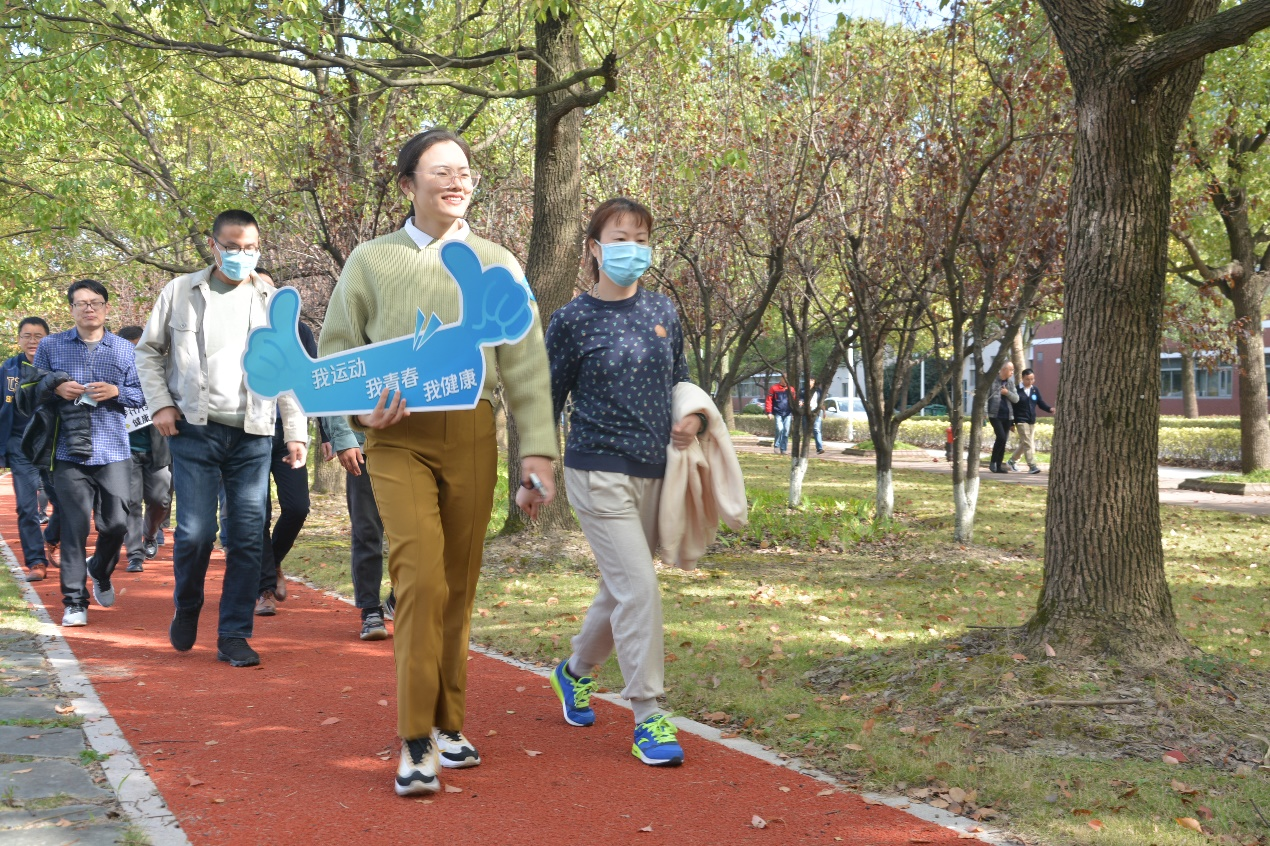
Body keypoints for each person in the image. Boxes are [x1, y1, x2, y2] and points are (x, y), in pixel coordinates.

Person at [317, 128, 558, 796]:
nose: (457, 181)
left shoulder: (498, 261)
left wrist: (538, 450)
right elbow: (337, 351)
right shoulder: (370, 260)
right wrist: (360, 415)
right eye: (441, 171)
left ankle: (450, 723)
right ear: (407, 184)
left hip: (472, 431)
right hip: (397, 436)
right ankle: (416, 736)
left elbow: (526, 364)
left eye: (465, 171)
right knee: (420, 578)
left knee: (456, 582)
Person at [544, 196, 702, 768]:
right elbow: (545, 399)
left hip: (656, 470)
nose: (632, 249)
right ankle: (648, 715)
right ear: (594, 248)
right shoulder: (571, 320)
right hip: (597, 469)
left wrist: (692, 418)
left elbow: (680, 379)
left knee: (620, 588)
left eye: (641, 239)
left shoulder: (662, 309)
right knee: (639, 589)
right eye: (619, 238)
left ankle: (574, 672)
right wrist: (536, 471)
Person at [134, 209, 308, 668]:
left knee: (248, 537)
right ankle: (188, 603)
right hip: (194, 430)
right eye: (232, 247)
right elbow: (148, 352)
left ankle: (234, 634)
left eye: (250, 248)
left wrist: (295, 431)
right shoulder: (180, 292)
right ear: (213, 245)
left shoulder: (272, 300)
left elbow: (288, 369)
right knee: (195, 533)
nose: (241, 255)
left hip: (253, 433)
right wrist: (160, 405)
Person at [23, 281, 146, 626]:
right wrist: (55, 386)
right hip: (67, 451)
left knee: (117, 525)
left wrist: (117, 391)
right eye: (81, 303)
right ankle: (75, 602)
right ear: (72, 309)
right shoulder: (51, 346)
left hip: (113, 449)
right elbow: (30, 391)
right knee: (74, 528)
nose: (89, 308)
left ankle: (100, 569)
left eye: (95, 302)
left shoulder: (124, 349)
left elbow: (143, 394)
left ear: (106, 308)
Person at [254, 315, 324, 617]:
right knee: (258, 514)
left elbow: (313, 379)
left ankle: (273, 561)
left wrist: (325, 433)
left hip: (289, 434)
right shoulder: (243, 324)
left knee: (298, 507)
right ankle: (264, 590)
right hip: (251, 434)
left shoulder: (299, 331)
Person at [112, 325, 171, 574]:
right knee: (132, 503)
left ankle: (151, 534)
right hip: (125, 450)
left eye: (139, 348)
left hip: (157, 448)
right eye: (129, 349)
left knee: (161, 500)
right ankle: (134, 554)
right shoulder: (113, 373)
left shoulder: (161, 371)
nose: (134, 354)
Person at [324, 414, 389, 640]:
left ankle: (399, 598)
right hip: (363, 445)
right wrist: (344, 437)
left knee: (419, 530)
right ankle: (370, 609)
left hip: (415, 446)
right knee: (367, 529)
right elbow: (337, 394)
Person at [1, 317, 53, 581]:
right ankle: (36, 561)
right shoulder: (8, 369)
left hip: (54, 445)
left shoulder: (57, 366)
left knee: (67, 503)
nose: (33, 341)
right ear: (19, 339)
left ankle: (53, 537)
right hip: (20, 446)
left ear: (47, 338)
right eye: (27, 336)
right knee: (26, 507)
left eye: (38, 336)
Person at [1008, 368, 1054, 475]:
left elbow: (1040, 403)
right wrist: (1011, 422)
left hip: (1031, 421)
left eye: (1032, 379)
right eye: (1027, 379)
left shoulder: (1035, 390)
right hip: (1020, 420)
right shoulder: (1016, 390)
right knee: (1028, 443)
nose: (1030, 381)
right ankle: (1032, 466)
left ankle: (1012, 461)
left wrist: (1049, 409)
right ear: (1022, 378)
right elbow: (1011, 407)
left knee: (1025, 443)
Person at [986, 361, 1018, 474]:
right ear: (1004, 369)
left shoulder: (1010, 383)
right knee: (1001, 437)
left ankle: (999, 466)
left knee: (1003, 441)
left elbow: (1016, 399)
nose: (1012, 372)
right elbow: (985, 397)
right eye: (1011, 370)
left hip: (1008, 416)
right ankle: (993, 462)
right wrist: (984, 412)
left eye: (1013, 370)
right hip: (995, 415)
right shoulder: (992, 381)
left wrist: (1007, 393)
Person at [765, 374, 796, 455]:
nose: (785, 380)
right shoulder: (774, 388)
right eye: (784, 378)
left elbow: (794, 401)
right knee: (779, 429)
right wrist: (769, 412)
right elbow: (769, 400)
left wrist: (795, 412)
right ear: (781, 378)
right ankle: (777, 446)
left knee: (786, 431)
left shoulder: (791, 389)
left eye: (787, 378)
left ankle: (783, 449)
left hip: (788, 413)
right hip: (778, 412)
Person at [807, 377, 825, 455]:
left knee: (816, 429)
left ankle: (819, 448)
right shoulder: (803, 390)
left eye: (811, 380)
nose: (810, 382)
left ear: (814, 382)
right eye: (809, 380)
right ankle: (805, 449)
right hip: (806, 412)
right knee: (806, 430)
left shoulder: (818, 391)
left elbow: (821, 402)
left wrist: (824, 411)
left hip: (816, 411)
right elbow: (800, 399)